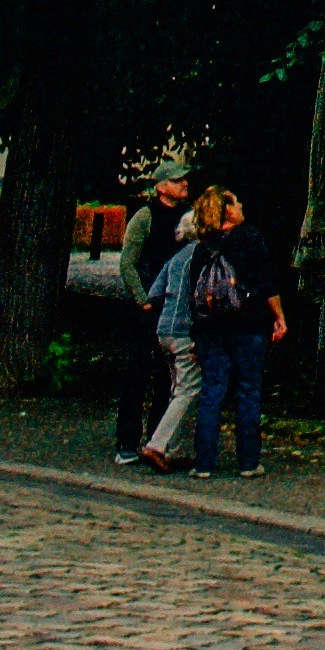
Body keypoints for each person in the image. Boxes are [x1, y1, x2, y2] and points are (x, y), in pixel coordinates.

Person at [136, 200, 222, 472]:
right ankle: (157, 445)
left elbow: (154, 293)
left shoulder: (174, 258)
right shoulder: (203, 257)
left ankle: (171, 450)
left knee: (178, 388)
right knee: (189, 390)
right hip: (185, 330)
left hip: (165, 329)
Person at [109, 178, 190, 464]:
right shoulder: (145, 217)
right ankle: (127, 441)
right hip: (148, 306)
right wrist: (141, 298)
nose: (184, 184)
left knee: (167, 376)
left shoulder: (187, 217)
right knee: (138, 373)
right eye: (176, 181)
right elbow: (128, 261)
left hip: (173, 307)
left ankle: (157, 441)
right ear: (160, 186)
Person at [190, 190, 269, 477]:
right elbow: (266, 282)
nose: (242, 204)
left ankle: (204, 463)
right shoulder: (250, 239)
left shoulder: (203, 247)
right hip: (248, 324)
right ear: (228, 211)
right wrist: (279, 316)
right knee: (248, 391)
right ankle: (248, 461)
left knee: (212, 391)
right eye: (236, 201)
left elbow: (194, 292)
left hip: (211, 328)